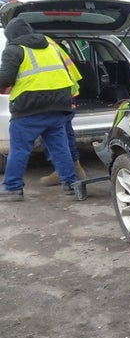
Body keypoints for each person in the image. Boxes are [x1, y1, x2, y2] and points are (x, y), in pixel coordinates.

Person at [0, 17, 77, 202]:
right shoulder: (51, 47)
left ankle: (12, 188)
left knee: (19, 149)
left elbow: (4, 80)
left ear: (11, 36)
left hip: (29, 108)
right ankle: (72, 185)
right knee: (60, 148)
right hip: (59, 105)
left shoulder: (13, 50)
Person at [38, 36, 87, 186]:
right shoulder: (49, 42)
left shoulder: (36, 45)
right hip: (67, 93)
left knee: (52, 134)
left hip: (56, 95)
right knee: (66, 131)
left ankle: (62, 171)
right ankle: (77, 168)